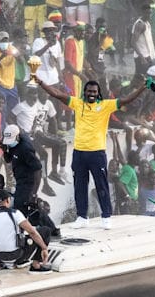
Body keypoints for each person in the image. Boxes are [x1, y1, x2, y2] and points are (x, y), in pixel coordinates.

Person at [31, 76, 148, 229]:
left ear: (98, 93)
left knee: (101, 185)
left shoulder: (106, 105)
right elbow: (57, 94)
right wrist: (41, 82)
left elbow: (126, 100)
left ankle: (106, 216)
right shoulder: (78, 104)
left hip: (97, 153)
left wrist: (142, 88)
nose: (91, 93)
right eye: (88, 91)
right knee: (80, 185)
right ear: (84, 92)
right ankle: (82, 217)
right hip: (79, 152)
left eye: (94, 91)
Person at [0, 190, 51, 272]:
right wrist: (44, 248)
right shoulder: (15, 213)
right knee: (45, 231)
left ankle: (12, 263)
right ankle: (36, 265)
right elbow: (32, 232)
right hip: (17, 255)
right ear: (8, 200)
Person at [0, 125, 43, 213]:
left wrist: (33, 193)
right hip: (19, 181)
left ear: (17, 136)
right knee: (18, 205)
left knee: (20, 207)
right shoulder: (12, 143)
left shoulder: (25, 148)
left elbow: (38, 170)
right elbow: (8, 160)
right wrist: (4, 150)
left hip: (28, 182)